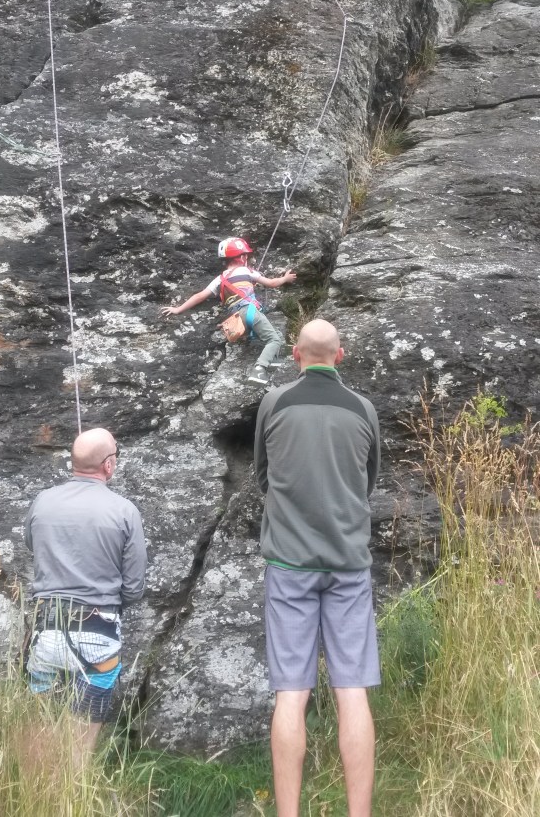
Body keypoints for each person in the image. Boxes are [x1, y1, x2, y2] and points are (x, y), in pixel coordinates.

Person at [254, 319, 381, 817]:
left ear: (295, 355)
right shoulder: (364, 409)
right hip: (348, 564)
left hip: (289, 563)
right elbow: (367, 482)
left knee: (291, 693)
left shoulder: (275, 403)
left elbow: (264, 476)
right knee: (352, 692)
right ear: (340, 356)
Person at [24, 427, 147, 761]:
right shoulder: (124, 511)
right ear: (109, 465)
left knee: (42, 731)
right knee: (82, 746)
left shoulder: (43, 501)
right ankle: (76, 790)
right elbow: (134, 587)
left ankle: (38, 792)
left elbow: (31, 546)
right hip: (98, 633)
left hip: (46, 630)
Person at [161, 237, 296, 386]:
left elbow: (200, 296)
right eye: (246, 256)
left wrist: (178, 309)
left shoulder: (220, 279)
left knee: (272, 333)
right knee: (274, 339)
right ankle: (260, 368)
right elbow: (271, 283)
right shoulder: (246, 270)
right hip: (250, 312)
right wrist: (285, 278)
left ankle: (273, 359)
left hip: (236, 320)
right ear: (242, 257)